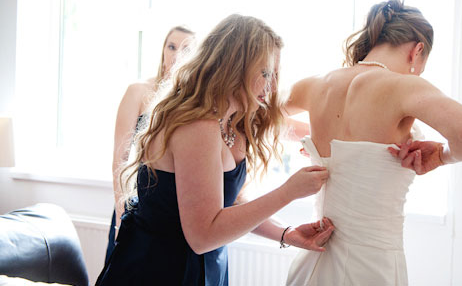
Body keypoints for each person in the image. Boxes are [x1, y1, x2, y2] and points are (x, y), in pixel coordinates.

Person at [96, 14, 334, 286]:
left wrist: (286, 233)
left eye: (276, 74)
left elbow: (231, 204)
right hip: (159, 270)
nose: (272, 86)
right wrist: (288, 192)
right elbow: (202, 235)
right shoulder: (196, 125)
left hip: (204, 267)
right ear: (235, 67)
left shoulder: (231, 123)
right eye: (265, 72)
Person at [285, 0, 462, 286]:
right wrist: (442, 155)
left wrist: (314, 140)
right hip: (371, 265)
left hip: (313, 259)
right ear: (417, 50)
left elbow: (260, 116)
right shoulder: (403, 86)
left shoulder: (318, 83)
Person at [105, 25, 195, 264]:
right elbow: (120, 157)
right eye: (171, 46)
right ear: (163, 50)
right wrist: (121, 207)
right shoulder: (138, 92)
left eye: (186, 49)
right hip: (137, 203)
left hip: (175, 210)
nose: (176, 54)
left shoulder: (195, 102)